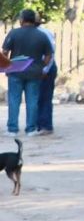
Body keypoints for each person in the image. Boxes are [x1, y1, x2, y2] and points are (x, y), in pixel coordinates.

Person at [3, 9, 52, 137]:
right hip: (34, 73)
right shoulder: (41, 35)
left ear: (22, 20)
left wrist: (7, 66)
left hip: (15, 72)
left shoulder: (14, 33)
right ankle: (31, 129)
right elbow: (49, 55)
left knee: (14, 100)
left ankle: (12, 129)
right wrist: (42, 67)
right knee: (32, 101)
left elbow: (4, 52)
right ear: (34, 20)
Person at [34, 14, 56, 135]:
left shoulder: (44, 33)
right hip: (40, 68)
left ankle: (46, 125)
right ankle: (39, 124)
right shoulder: (41, 33)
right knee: (38, 97)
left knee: (45, 97)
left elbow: (50, 54)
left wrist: (45, 70)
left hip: (46, 68)